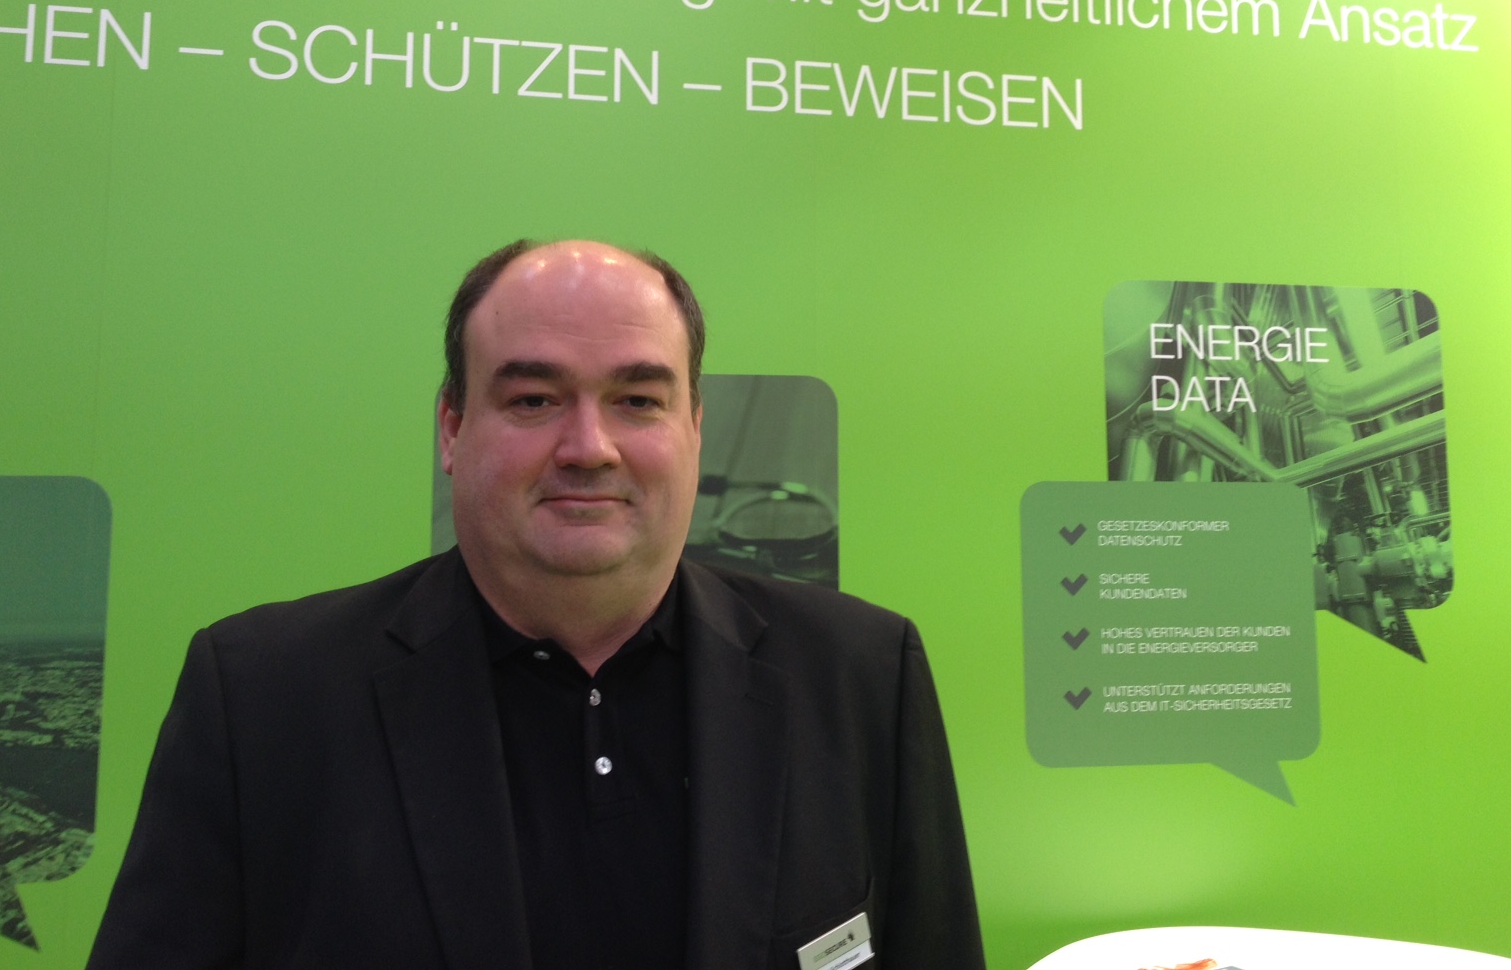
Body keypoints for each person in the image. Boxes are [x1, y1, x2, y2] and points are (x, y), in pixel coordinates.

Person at [88, 239, 984, 970]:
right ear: (451, 428)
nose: (589, 446)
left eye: (637, 399)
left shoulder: (863, 677)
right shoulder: (262, 698)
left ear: (694, 429)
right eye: (534, 399)